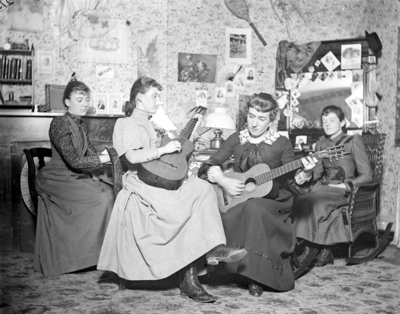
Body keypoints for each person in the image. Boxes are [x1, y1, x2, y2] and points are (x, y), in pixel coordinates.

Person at [97, 76, 247, 303]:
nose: (158, 101)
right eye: (154, 96)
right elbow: (133, 156)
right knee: (188, 203)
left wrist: (179, 142)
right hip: (140, 184)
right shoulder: (125, 123)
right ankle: (190, 279)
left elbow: (166, 157)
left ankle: (214, 248)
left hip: (157, 179)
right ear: (139, 98)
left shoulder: (150, 124)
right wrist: (163, 149)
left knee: (202, 187)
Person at [198, 93, 317, 297]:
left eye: (261, 119)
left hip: (275, 200)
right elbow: (208, 165)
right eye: (251, 116)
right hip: (239, 196)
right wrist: (223, 180)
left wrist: (305, 172)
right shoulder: (237, 138)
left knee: (253, 208)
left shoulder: (281, 143)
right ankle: (222, 261)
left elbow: (291, 181)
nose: (254, 123)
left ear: (271, 120)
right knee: (223, 204)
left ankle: (256, 276)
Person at [34, 80, 114, 276]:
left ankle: (101, 255)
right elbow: (75, 160)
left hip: (72, 174)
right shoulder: (60, 123)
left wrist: (110, 157)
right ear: (67, 102)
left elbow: (91, 154)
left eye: (87, 99)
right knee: (103, 196)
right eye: (79, 99)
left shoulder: (80, 125)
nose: (85, 103)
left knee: (108, 189)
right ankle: (84, 256)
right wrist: (103, 158)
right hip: (57, 177)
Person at [291, 105, 373, 267]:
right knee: (300, 199)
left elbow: (367, 175)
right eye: (324, 121)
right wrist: (307, 172)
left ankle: (310, 247)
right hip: (323, 187)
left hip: (343, 190)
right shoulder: (321, 144)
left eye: (332, 120)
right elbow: (317, 173)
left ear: (342, 122)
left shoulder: (353, 141)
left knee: (314, 202)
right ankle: (321, 249)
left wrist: (345, 186)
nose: (327, 124)